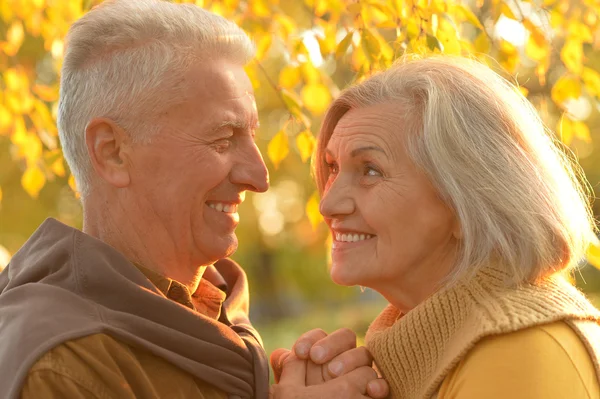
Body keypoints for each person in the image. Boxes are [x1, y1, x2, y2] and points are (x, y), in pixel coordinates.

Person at [0, 1, 389, 398]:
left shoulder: (211, 308)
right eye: (222, 139)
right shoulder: (65, 368)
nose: (259, 178)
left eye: (251, 136)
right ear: (113, 152)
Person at [271, 56, 600, 398]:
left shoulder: (520, 351)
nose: (327, 204)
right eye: (333, 167)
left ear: (465, 203)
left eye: (370, 170)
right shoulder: (438, 349)